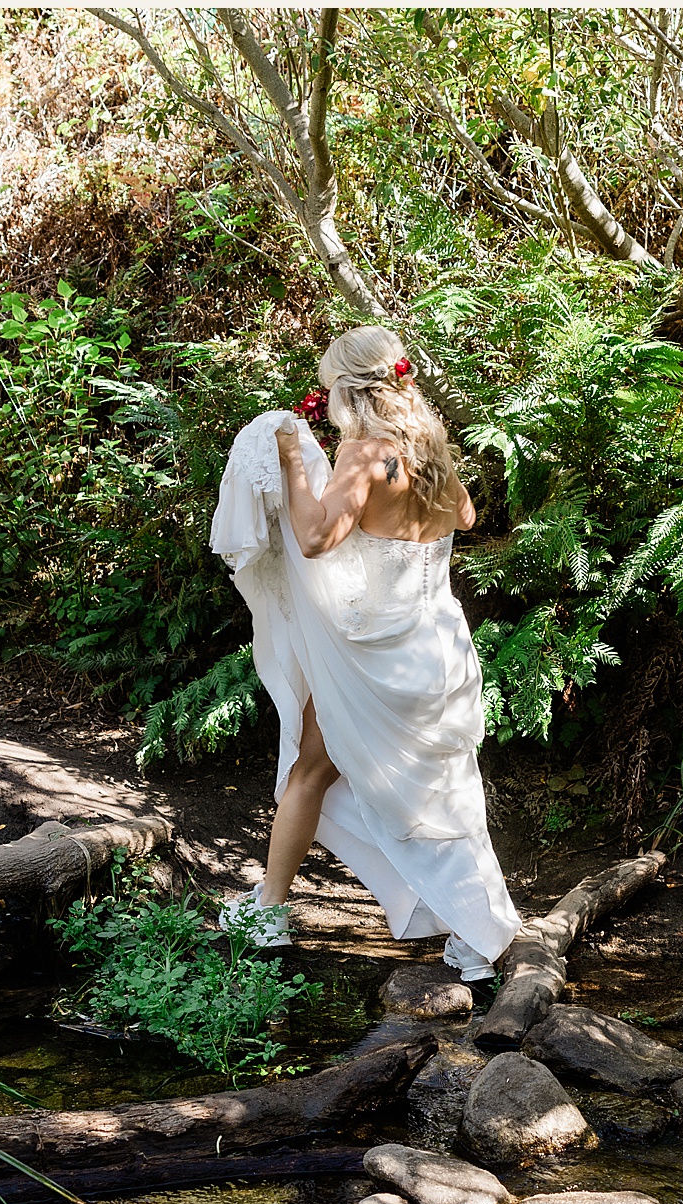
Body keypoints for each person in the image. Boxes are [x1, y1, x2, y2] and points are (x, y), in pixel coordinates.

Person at [208, 325, 522, 982]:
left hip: (374, 658)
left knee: (310, 771)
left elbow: (317, 537)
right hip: (437, 645)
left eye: (329, 391)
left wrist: (294, 458)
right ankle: (467, 933)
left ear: (349, 392)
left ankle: (275, 911)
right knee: (437, 788)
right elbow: (463, 516)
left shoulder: (364, 455)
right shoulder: (426, 450)